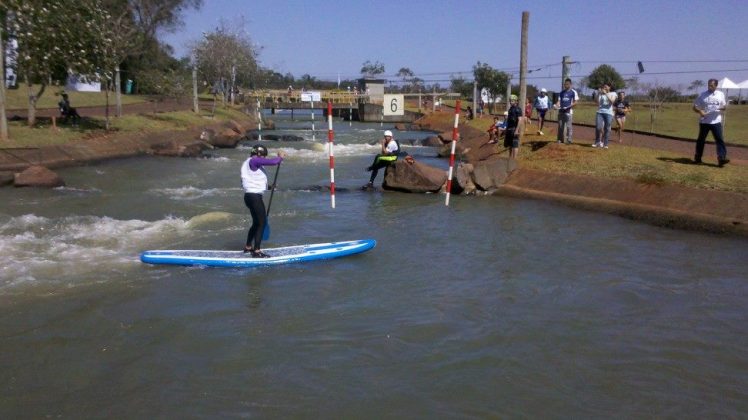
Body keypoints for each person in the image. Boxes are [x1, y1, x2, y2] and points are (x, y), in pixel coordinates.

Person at [240, 144, 285, 258]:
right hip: (255, 198)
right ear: (259, 154)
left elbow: (252, 181)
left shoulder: (248, 163)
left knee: (256, 223)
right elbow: (274, 162)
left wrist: (270, 187)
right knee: (262, 223)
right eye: (263, 156)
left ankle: (248, 246)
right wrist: (280, 157)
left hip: (249, 196)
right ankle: (257, 251)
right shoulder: (255, 161)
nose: (264, 159)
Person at [693, 78, 729, 167]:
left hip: (716, 122)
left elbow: (724, 106)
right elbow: (695, 107)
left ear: (716, 86)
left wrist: (720, 108)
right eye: (708, 85)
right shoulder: (703, 95)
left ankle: (721, 159)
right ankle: (698, 158)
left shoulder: (720, 94)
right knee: (701, 140)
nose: (709, 87)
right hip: (704, 122)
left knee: (719, 140)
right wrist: (700, 112)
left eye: (712, 85)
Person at [592, 83, 617, 149]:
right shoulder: (601, 94)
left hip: (609, 113)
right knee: (598, 127)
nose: (604, 88)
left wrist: (606, 94)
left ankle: (605, 144)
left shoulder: (613, 93)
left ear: (609, 87)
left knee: (607, 128)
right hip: (600, 112)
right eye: (604, 87)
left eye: (606, 87)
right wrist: (598, 93)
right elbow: (597, 102)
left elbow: (612, 102)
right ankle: (597, 142)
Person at [555, 78, 578, 144]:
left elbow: (575, 102)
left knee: (569, 126)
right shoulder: (561, 93)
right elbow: (559, 101)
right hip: (561, 112)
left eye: (567, 84)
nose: (565, 85)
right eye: (565, 84)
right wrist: (556, 106)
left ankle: (569, 140)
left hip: (568, 112)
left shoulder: (573, 92)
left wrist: (568, 107)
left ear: (570, 84)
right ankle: (560, 139)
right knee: (560, 126)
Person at [504, 95, 522, 159]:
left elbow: (520, 120)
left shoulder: (518, 109)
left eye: (512, 100)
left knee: (515, 145)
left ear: (516, 101)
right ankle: (510, 158)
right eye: (510, 100)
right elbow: (508, 120)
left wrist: (517, 130)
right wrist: (506, 129)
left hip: (514, 129)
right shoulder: (510, 109)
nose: (511, 102)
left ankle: (514, 160)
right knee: (510, 145)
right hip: (509, 129)